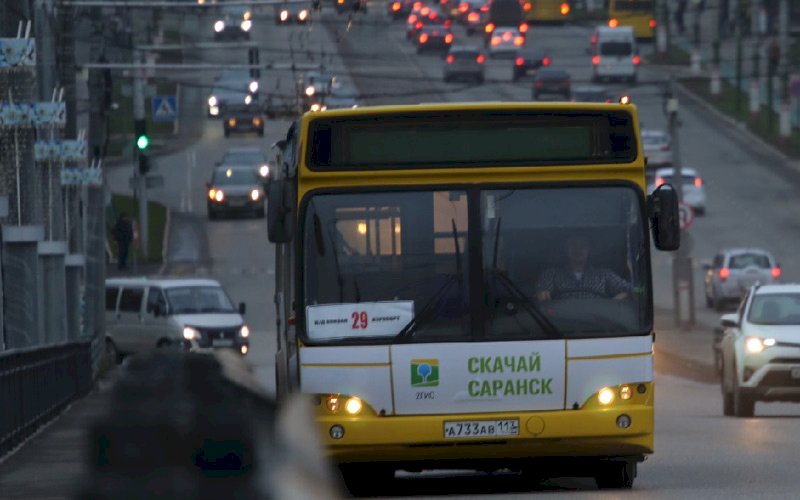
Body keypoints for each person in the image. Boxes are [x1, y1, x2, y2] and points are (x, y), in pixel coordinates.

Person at [535, 235, 631, 301]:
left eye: (582, 246)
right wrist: (542, 294)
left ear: (589, 250)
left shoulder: (604, 274)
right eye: (573, 245)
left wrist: (614, 302)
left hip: (599, 326)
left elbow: (633, 290)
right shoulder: (551, 274)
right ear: (565, 249)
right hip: (560, 326)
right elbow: (542, 293)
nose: (577, 249)